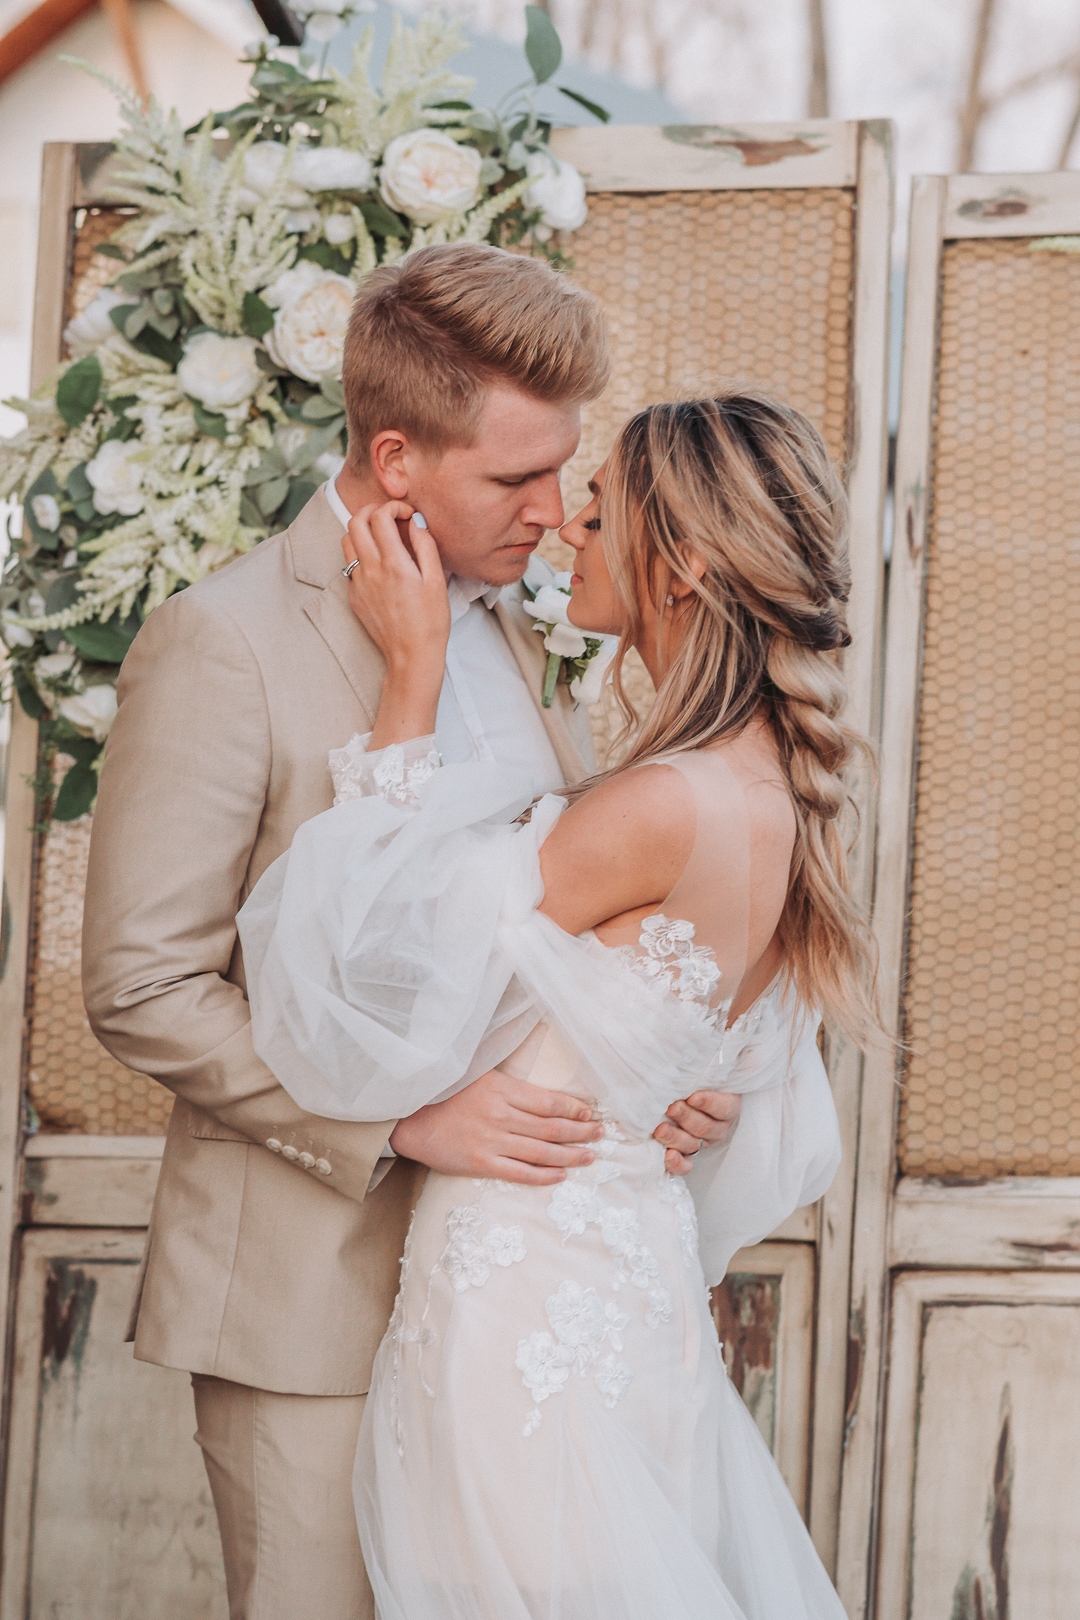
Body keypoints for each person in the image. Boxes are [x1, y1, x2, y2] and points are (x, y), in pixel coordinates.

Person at [82, 244, 742, 1620]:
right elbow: (143, 982)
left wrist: (640, 1072)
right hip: (306, 1307)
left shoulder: (521, 629)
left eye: (564, 472)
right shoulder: (225, 641)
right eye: (517, 478)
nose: (558, 514)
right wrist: (399, 1121)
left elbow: (530, 935)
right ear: (396, 462)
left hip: (508, 1308)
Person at [237, 391, 879, 1618]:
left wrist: (412, 678)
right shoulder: (772, 792)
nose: (572, 526)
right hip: (628, 1295)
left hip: (523, 1303)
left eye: (601, 506)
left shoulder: (651, 807)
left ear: (681, 561)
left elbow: (370, 980)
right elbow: (720, 1071)